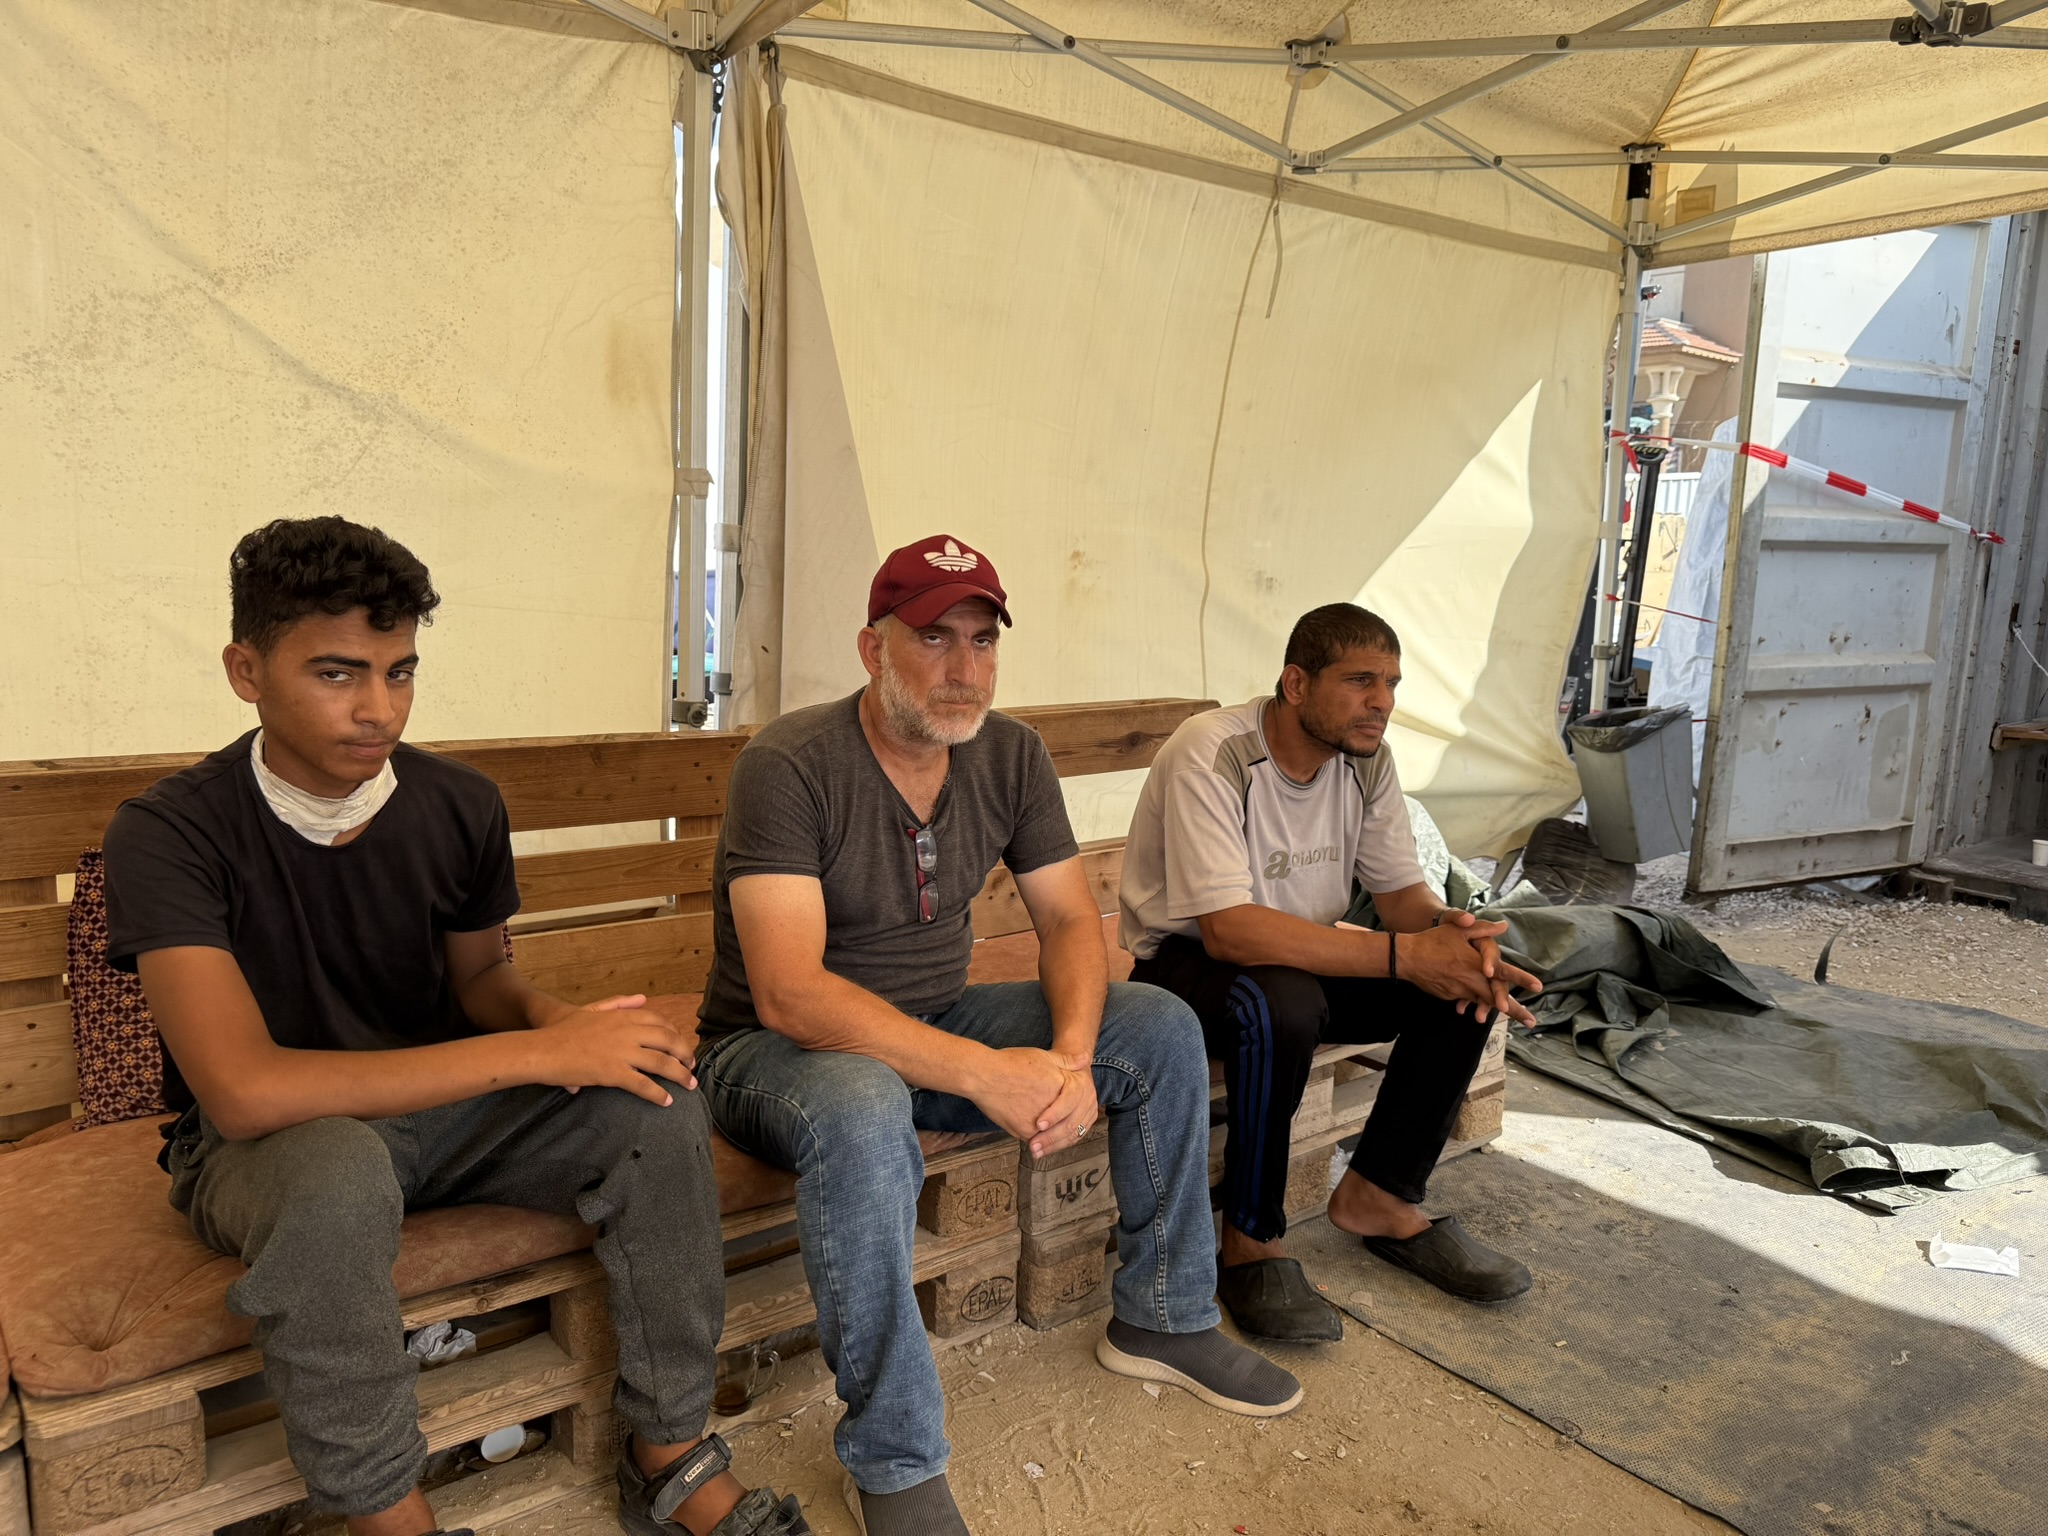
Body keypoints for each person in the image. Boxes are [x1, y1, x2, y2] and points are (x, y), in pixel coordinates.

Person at [104, 518, 810, 1536]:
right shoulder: (170, 831)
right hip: (272, 1149)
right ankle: (386, 1515)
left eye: (400, 673)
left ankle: (668, 1453)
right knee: (336, 1175)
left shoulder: (458, 803)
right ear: (245, 672)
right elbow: (243, 1091)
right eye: (338, 674)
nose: (378, 709)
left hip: (451, 1117)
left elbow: (481, 980)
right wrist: (536, 1051)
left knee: (654, 1104)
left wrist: (568, 1026)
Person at [695, 534, 1303, 1536]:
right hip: (776, 1056)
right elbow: (789, 993)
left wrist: (1069, 1060)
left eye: (981, 641)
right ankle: (894, 1459)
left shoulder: (1009, 753)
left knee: (1154, 1024)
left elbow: (1067, 921)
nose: (963, 668)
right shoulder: (790, 763)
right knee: (862, 1104)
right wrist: (985, 1073)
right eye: (933, 638)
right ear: (872, 648)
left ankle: (1163, 1319)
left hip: (937, 1021)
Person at [1121, 602, 1544, 1341]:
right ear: (1296, 684)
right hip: (1185, 968)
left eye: (1391, 684)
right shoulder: (1214, 752)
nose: (1382, 701)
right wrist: (1402, 954)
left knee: (1461, 984)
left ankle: (1380, 1194)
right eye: (1359, 681)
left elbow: (1402, 898)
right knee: (1279, 1003)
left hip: (1307, 951)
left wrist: (1452, 934)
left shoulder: (1367, 759)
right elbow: (1228, 930)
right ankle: (1249, 1239)